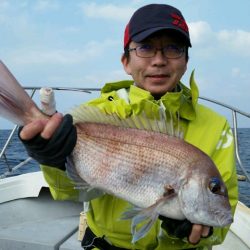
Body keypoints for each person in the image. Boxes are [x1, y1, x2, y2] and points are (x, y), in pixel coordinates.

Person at [19, 4, 238, 250]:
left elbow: (222, 219)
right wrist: (53, 161)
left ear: (186, 61)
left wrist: (201, 233)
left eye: (173, 48)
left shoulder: (216, 125)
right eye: (145, 48)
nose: (159, 61)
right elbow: (73, 193)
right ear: (126, 61)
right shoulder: (100, 113)